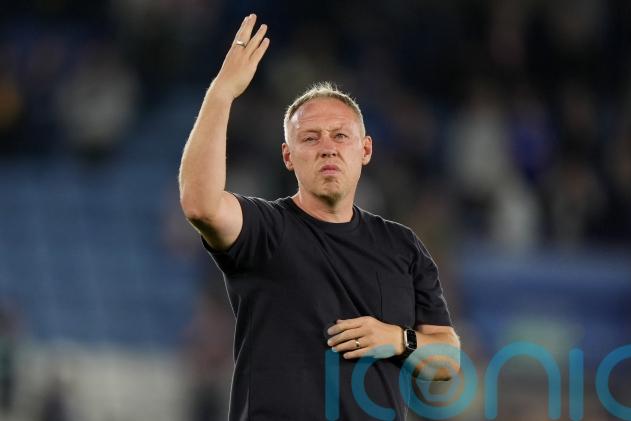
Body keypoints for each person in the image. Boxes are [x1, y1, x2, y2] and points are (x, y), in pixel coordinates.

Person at [178, 13, 461, 421]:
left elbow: (447, 359)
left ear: (365, 150)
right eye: (310, 138)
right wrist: (222, 92)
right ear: (288, 156)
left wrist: (399, 339)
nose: (327, 147)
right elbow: (200, 204)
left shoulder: (403, 247)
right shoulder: (265, 230)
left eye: (340, 135)